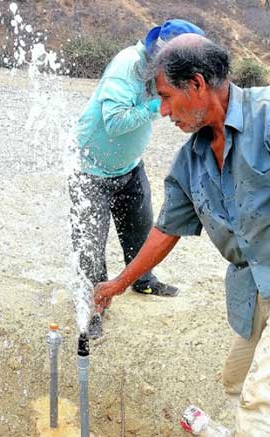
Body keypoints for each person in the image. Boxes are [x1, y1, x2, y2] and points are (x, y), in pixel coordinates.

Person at [94, 34, 270, 435]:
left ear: (197, 84)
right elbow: (166, 231)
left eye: (166, 97)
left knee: (262, 408)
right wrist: (119, 282)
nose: (162, 111)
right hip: (254, 286)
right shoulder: (192, 159)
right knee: (237, 382)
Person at [70, 19, 205, 336]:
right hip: (90, 168)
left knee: (141, 231)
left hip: (129, 165)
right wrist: (163, 101)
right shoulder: (128, 65)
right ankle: (93, 310)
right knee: (91, 246)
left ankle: (144, 281)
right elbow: (114, 122)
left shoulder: (164, 73)